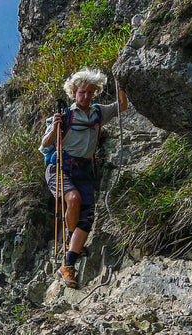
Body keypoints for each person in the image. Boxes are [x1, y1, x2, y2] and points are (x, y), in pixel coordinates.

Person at [40, 68, 128, 288]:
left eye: (90, 92)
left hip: (84, 171)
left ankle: (68, 262)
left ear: (95, 92)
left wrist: (122, 83)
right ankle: (71, 246)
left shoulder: (98, 113)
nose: (85, 96)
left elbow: (122, 107)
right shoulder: (65, 116)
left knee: (87, 219)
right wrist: (55, 128)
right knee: (73, 199)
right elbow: (44, 146)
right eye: (81, 92)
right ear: (74, 92)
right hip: (60, 168)